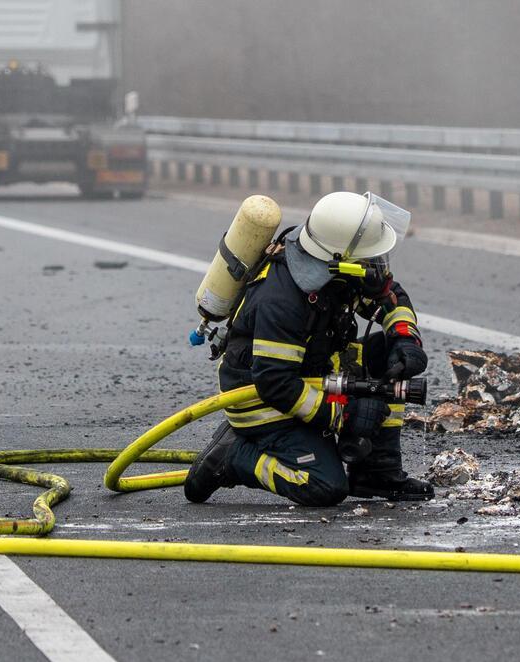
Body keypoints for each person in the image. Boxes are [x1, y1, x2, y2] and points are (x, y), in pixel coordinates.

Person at [183, 191, 434, 505]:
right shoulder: (282, 298)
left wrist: (405, 338)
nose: (376, 266)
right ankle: (234, 456)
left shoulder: (333, 270)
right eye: (369, 258)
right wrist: (343, 416)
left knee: (384, 352)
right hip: (261, 400)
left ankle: (377, 471)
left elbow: (389, 296)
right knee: (324, 485)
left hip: (312, 377)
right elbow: (275, 382)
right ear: (340, 258)